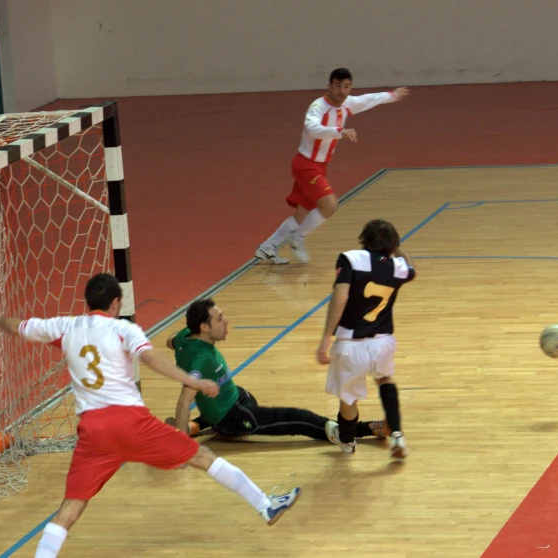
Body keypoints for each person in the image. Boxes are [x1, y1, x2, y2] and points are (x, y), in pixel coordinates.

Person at [0, 273, 301, 558]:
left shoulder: (65, 326)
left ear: (89, 302)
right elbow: (150, 359)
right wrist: (193, 381)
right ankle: (265, 505)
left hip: (93, 434)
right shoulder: (124, 329)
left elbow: (17, 326)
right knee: (202, 457)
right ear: (115, 303)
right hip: (130, 423)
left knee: (70, 508)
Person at [164, 299, 388, 443]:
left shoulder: (185, 336)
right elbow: (185, 400)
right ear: (204, 327)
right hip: (231, 417)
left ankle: (193, 426)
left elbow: (169, 341)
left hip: (234, 397)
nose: (226, 321)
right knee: (296, 419)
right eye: (220, 319)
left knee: (248, 397)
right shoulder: (200, 361)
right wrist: (182, 450)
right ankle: (363, 429)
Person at [255, 68, 410, 264]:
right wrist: (340, 131)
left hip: (319, 166)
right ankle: (298, 236)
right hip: (306, 165)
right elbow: (312, 129)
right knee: (330, 205)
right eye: (338, 86)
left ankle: (267, 248)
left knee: (302, 213)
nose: (342, 91)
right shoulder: (318, 107)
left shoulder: (347, 104)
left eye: (346, 87)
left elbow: (368, 99)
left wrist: (392, 96)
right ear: (329, 86)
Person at [316, 219, 416, 459]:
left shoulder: (351, 259)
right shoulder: (396, 266)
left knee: (348, 398)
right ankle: (398, 435)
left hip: (351, 344)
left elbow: (340, 298)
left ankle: (348, 441)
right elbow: (411, 267)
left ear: (364, 238)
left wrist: (325, 339)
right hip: (383, 341)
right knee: (385, 379)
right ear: (391, 245)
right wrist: (397, 246)